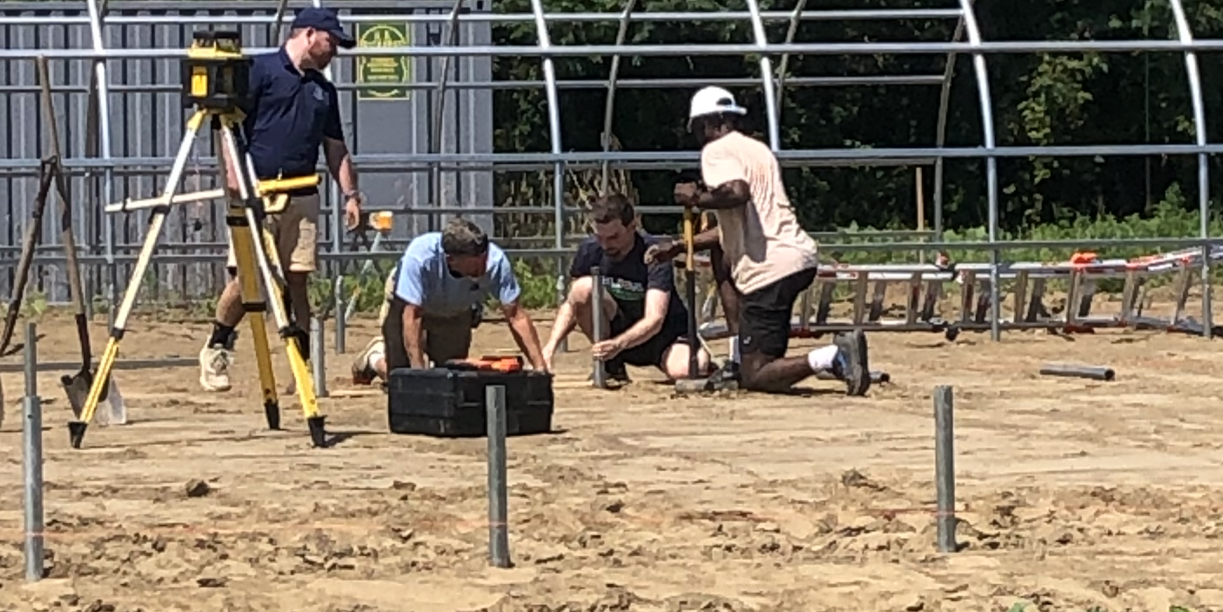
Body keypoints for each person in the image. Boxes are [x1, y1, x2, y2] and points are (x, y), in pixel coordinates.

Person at [201, 5, 364, 391]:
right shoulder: (260, 71)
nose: (334, 51)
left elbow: (335, 147)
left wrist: (351, 194)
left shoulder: (323, 90)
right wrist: (234, 176)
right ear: (308, 34)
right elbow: (227, 126)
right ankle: (217, 347)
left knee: (297, 279)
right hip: (258, 192)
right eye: (331, 42)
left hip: (302, 195)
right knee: (248, 279)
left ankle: (301, 366)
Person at [674, 85, 869, 394]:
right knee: (762, 359)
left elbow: (737, 192)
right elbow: (736, 226)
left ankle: (833, 356)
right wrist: (681, 244)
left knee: (756, 375)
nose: (698, 136)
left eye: (698, 127)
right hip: (797, 259)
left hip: (769, 270)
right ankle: (741, 360)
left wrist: (695, 198)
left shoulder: (716, 151)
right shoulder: (757, 150)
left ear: (712, 121)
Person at [353, 215, 549, 381]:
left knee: (451, 375)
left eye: (484, 259)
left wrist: (540, 368)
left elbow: (516, 315)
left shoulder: (496, 261)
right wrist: (418, 376)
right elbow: (412, 315)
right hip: (407, 303)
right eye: (475, 265)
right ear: (451, 260)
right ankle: (375, 357)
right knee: (401, 376)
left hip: (455, 310)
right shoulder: (420, 258)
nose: (484, 267)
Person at [543, 191, 708, 384]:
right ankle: (611, 366)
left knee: (687, 369)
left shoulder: (654, 253)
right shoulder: (590, 250)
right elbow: (572, 304)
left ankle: (703, 357)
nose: (606, 245)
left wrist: (619, 344)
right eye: (600, 237)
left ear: (632, 227)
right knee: (582, 288)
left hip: (663, 335)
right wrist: (549, 348)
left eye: (613, 237)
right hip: (616, 332)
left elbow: (655, 319)